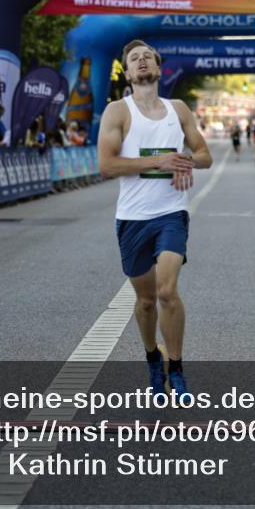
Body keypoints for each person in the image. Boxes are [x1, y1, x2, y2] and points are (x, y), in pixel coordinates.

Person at [98, 39, 212, 402]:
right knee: (146, 301)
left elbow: (205, 155)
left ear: (158, 68)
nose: (142, 60)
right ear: (128, 73)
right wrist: (158, 162)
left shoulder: (178, 109)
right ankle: (152, 356)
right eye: (134, 58)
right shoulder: (118, 111)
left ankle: (176, 368)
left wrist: (184, 161)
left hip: (171, 214)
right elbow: (107, 165)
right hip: (132, 218)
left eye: (148, 56)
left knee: (166, 291)